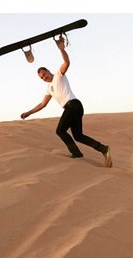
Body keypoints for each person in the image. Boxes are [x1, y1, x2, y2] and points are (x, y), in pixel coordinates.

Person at [21, 37, 112, 167]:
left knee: (60, 131)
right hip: (73, 108)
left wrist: (61, 49)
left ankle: (77, 154)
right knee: (78, 136)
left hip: (73, 105)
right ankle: (104, 149)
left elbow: (67, 62)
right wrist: (29, 112)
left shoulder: (59, 75)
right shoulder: (49, 88)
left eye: (44, 74)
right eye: (41, 78)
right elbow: (42, 104)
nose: (44, 78)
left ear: (48, 71)